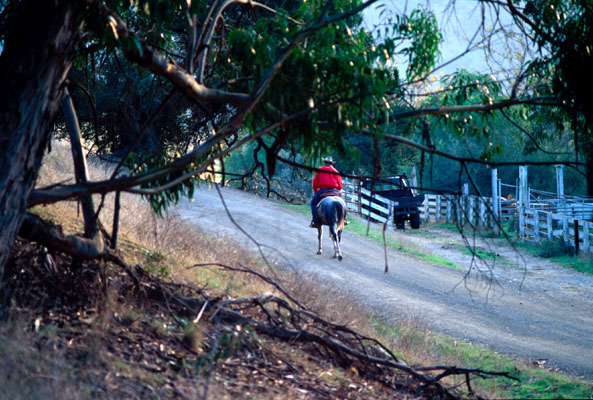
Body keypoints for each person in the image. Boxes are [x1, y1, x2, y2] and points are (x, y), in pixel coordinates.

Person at [310, 156, 343, 228]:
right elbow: (340, 185)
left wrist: (315, 191)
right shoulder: (335, 171)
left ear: (324, 162)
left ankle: (315, 222)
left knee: (313, 203)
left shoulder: (320, 170)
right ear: (331, 163)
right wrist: (337, 190)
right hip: (334, 190)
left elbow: (315, 183)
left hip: (322, 190)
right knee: (342, 203)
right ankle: (343, 219)